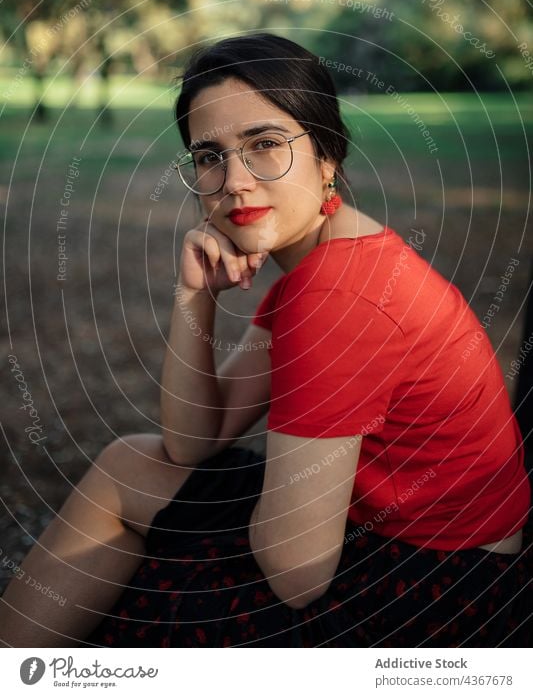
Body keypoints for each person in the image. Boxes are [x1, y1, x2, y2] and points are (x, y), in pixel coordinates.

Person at [0, 33, 530, 648]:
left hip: (435, 593)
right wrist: (193, 295)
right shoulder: (332, 263)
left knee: (144, 547)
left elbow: (296, 573)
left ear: (327, 155)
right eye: (209, 156)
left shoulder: (338, 297)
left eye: (265, 145)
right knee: (129, 462)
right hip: (417, 550)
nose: (235, 181)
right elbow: (192, 440)